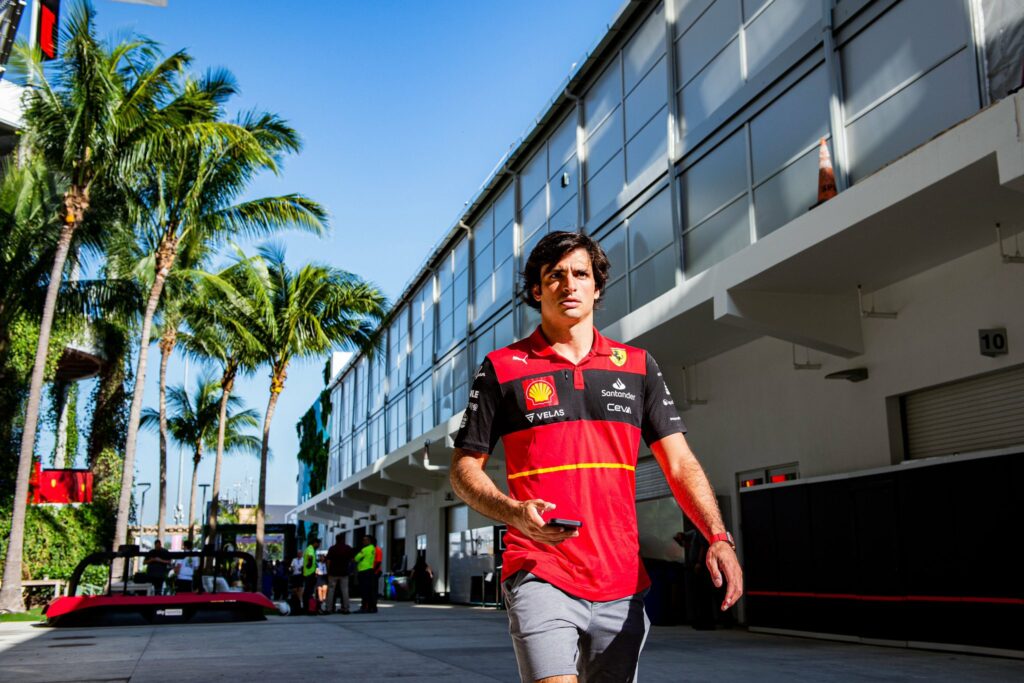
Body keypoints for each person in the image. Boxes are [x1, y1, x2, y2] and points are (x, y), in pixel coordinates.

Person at [451, 231, 743, 683]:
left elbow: (680, 464)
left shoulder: (637, 366)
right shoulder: (502, 367)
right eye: (555, 275)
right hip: (539, 567)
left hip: (621, 581)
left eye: (580, 274)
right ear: (536, 289)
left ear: (597, 287)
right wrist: (513, 512)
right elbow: (463, 469)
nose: (569, 284)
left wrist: (718, 537)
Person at [325, 536, 354, 614]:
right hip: (344, 573)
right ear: (343, 539)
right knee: (345, 591)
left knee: (331, 591)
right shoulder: (348, 548)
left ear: (336, 540)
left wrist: (328, 571)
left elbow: (328, 561)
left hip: (333, 573)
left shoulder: (332, 549)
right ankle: (346, 608)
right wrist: (350, 570)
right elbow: (352, 560)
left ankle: (329, 609)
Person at [354, 535, 378, 613]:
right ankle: (372, 607)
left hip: (363, 571)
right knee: (371, 590)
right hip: (370, 570)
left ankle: (364, 607)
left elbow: (356, 558)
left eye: (365, 540)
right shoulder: (373, 548)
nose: (363, 541)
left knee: (364, 590)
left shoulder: (365, 549)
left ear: (369, 541)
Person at [301, 538, 321, 615]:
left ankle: (307, 607)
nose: (319, 545)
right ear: (314, 543)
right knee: (308, 592)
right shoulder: (310, 549)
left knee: (308, 591)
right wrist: (310, 563)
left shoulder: (310, 549)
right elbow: (310, 556)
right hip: (309, 573)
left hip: (309, 573)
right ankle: (308, 608)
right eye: (318, 544)